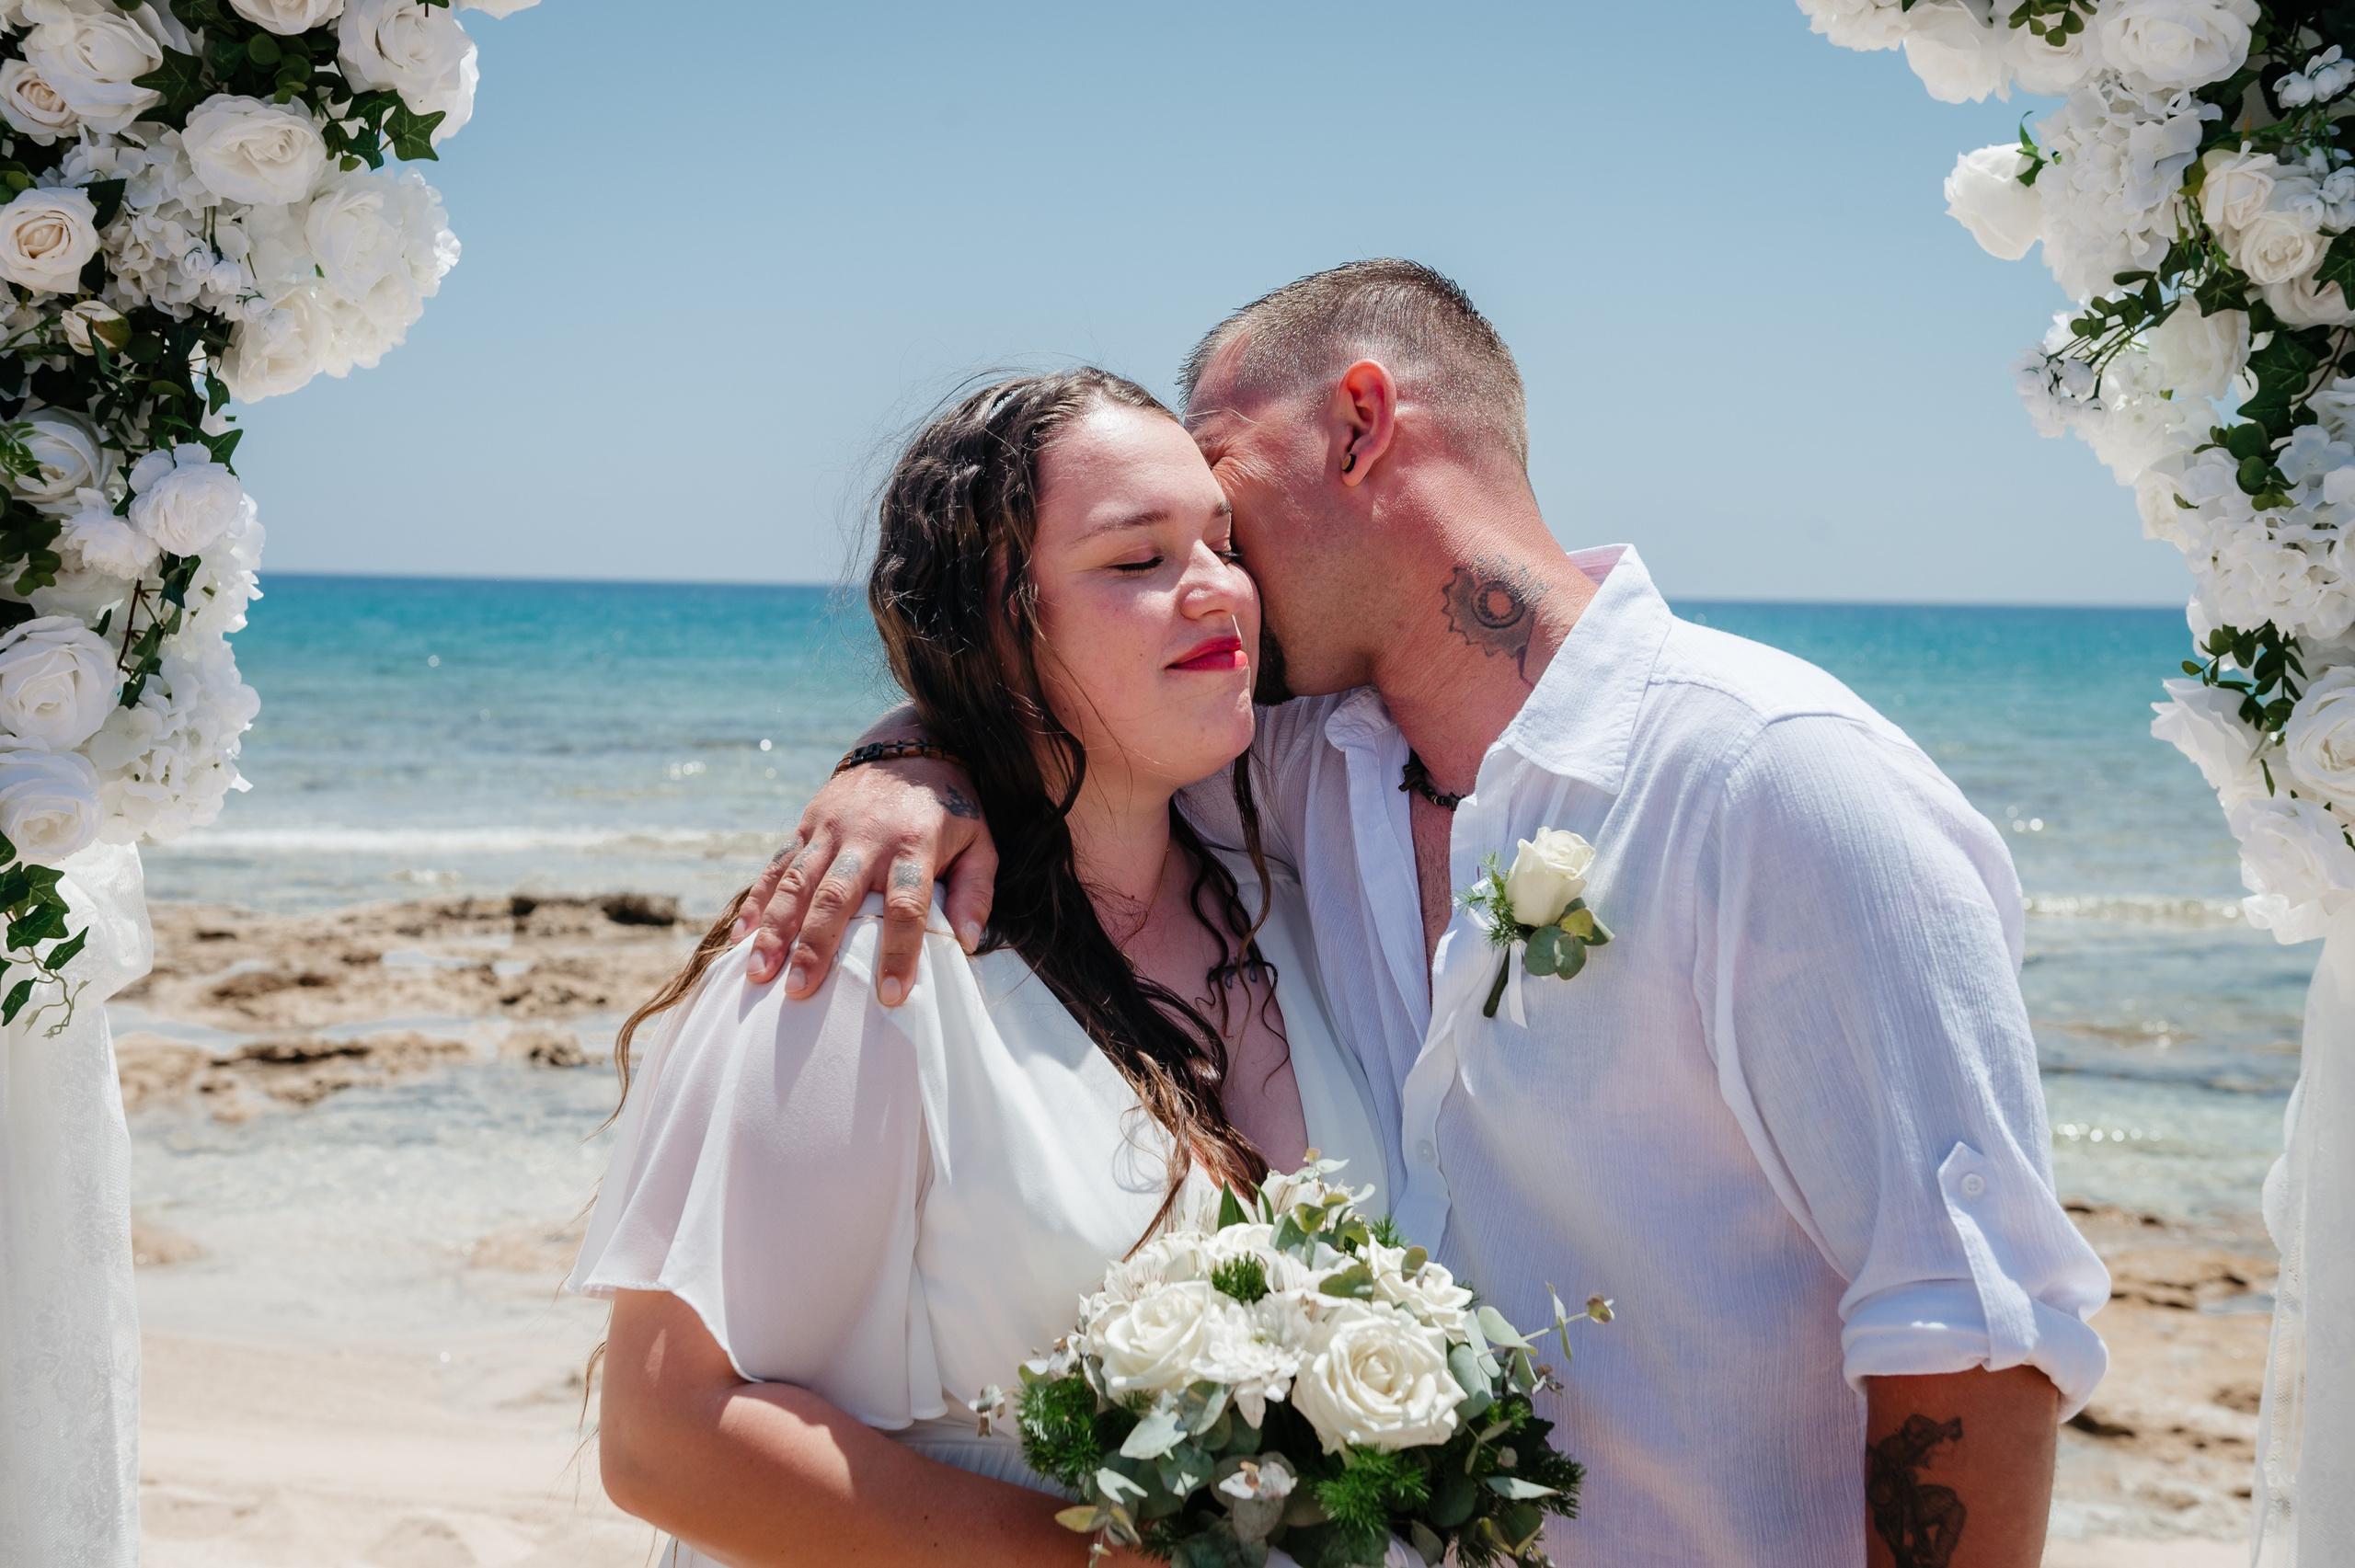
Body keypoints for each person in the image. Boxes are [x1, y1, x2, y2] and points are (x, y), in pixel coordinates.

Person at [737, 260, 2115, 1567]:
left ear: (1358, 423)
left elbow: (1971, 1321)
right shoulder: (1284, 774)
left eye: (1222, 500)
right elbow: (1058, 703)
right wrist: (905, 765)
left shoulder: (1772, 782)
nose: (1218, 572)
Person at [568, 368, 1392, 1566]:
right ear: (998, 625)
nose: (1219, 588)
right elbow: (668, 1440)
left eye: (1224, 544)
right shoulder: (874, 952)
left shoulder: (1294, 910)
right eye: (1137, 559)